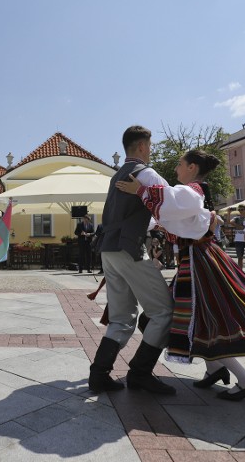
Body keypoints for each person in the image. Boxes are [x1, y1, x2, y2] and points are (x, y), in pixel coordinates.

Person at [118, 149, 245, 402]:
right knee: (198, 319)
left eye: (180, 164)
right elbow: (174, 214)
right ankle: (214, 368)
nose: (176, 169)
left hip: (198, 262)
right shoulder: (196, 191)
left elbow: (170, 204)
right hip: (198, 259)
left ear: (192, 167)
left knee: (204, 320)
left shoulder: (192, 191)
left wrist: (141, 190)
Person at [87, 125, 192, 396]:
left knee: (121, 318)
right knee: (163, 311)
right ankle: (141, 373)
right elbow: (170, 206)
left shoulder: (117, 175)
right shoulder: (147, 173)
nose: (151, 149)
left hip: (108, 249)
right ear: (143, 147)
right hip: (130, 248)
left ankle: (99, 375)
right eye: (151, 145)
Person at [227, 204, 245, 273]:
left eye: (242, 209)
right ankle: (240, 271)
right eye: (239, 209)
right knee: (240, 257)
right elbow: (229, 222)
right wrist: (229, 213)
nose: (240, 211)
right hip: (238, 240)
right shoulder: (237, 218)